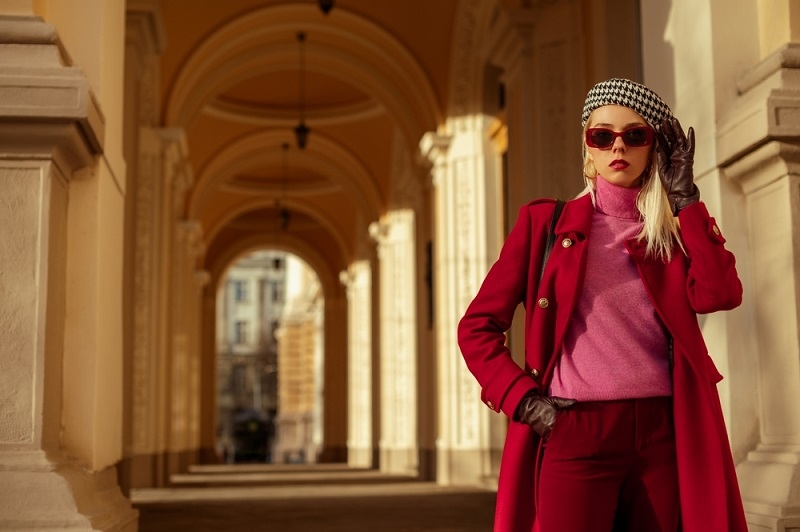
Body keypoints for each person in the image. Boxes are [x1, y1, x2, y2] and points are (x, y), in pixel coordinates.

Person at [457, 78, 747, 532]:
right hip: (575, 430)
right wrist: (527, 404)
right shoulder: (545, 224)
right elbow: (476, 327)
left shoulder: (669, 234)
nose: (619, 146)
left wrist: (686, 199)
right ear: (587, 147)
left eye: (635, 135)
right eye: (602, 135)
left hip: (662, 432)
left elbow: (720, 294)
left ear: (653, 148)